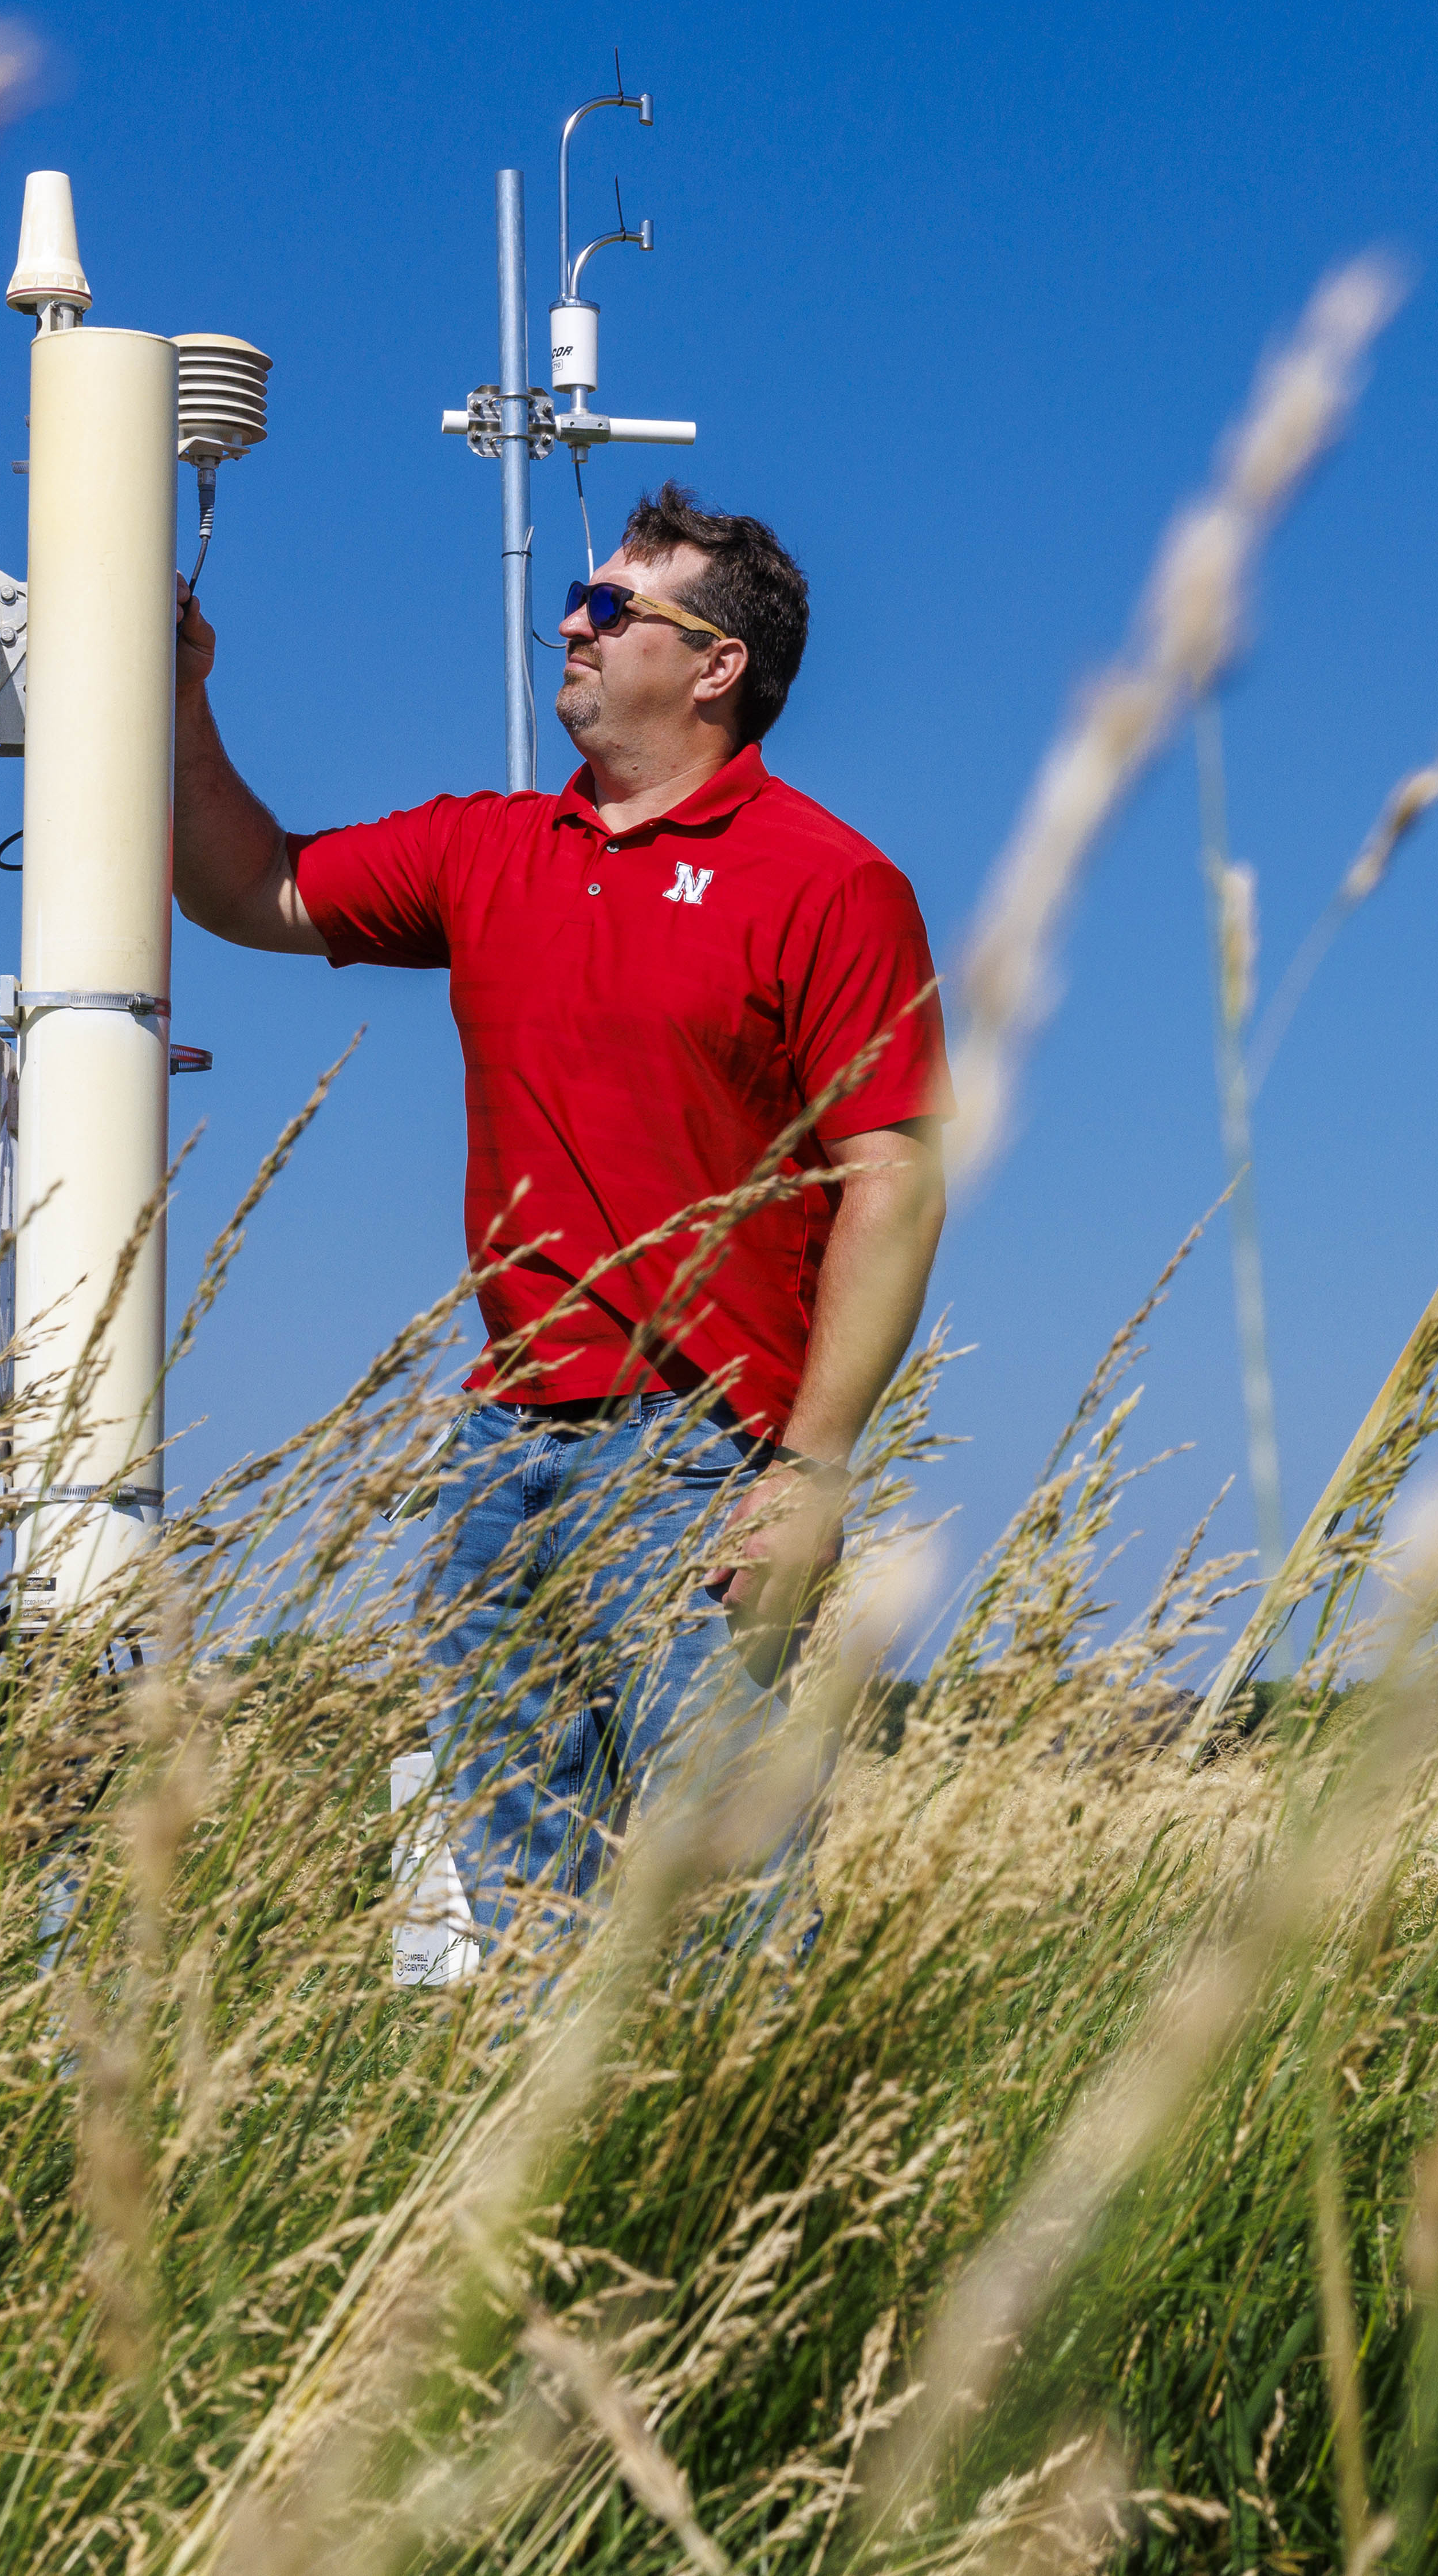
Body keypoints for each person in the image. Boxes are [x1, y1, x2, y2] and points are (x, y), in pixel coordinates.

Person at [170, 483, 948, 1970]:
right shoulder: (489, 849)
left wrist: (810, 1466)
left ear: (717, 665)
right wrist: (183, 699)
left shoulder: (829, 882)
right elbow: (245, 885)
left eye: (611, 609)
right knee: (512, 1910)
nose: (571, 628)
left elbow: (891, 1178)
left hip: (701, 1454)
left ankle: (742, 2187)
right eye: (575, 603)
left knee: (724, 1905)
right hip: (499, 1447)